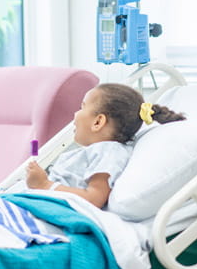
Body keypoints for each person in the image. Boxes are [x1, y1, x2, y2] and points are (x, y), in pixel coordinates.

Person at [25, 83, 186, 208]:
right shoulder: (97, 151)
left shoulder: (109, 152)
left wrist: (45, 185)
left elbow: (94, 198)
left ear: (98, 122)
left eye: (82, 107)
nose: (75, 114)